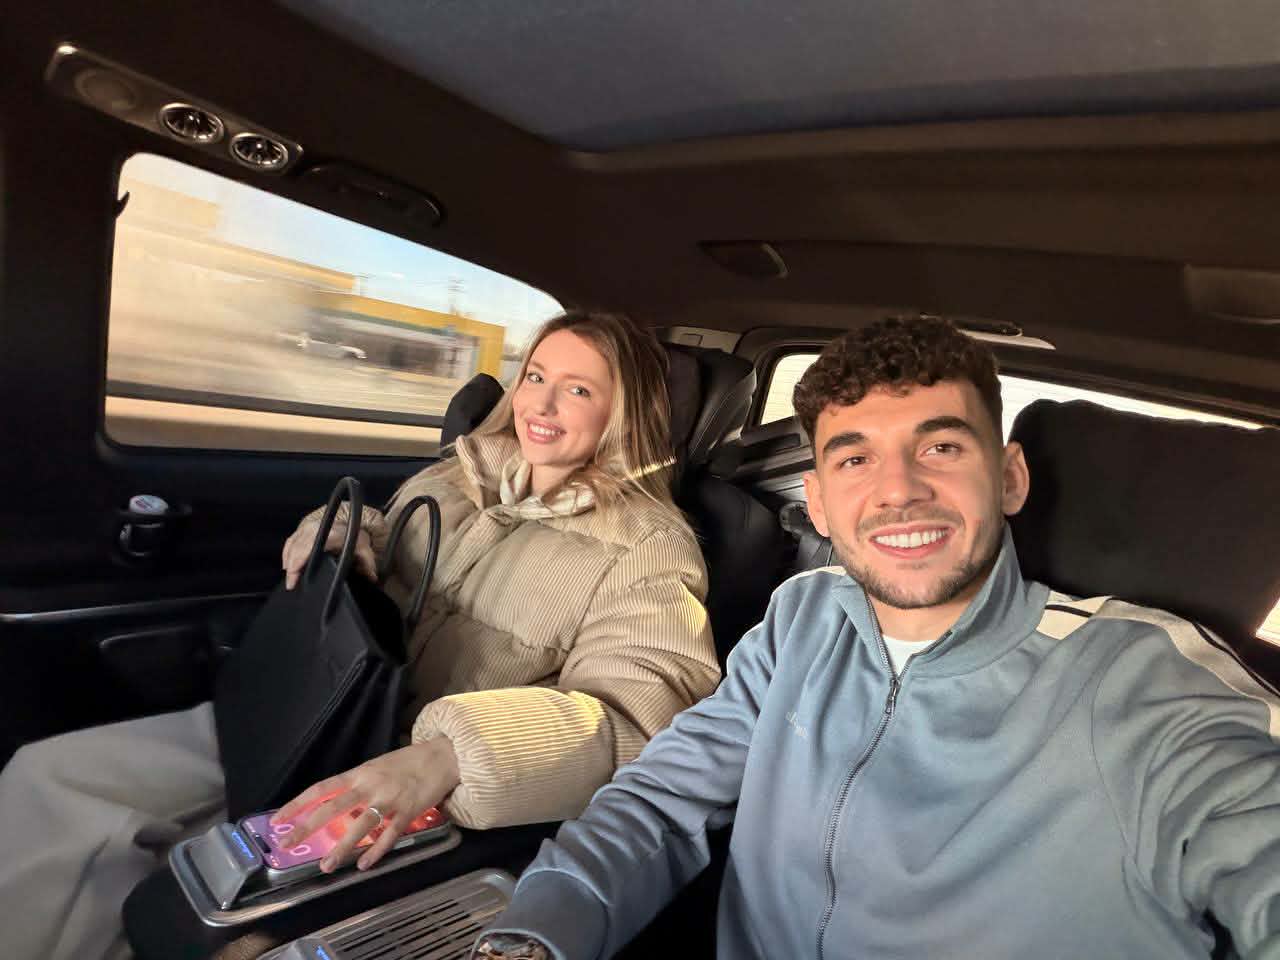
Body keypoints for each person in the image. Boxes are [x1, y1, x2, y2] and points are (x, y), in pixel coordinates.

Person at [471, 316, 1280, 960]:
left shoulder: (1145, 683)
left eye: (940, 447)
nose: (899, 489)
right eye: (855, 459)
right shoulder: (800, 622)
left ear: (1009, 479)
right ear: (819, 504)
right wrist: (531, 938)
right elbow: (657, 804)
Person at [0, 310, 720, 960]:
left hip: (409, 780)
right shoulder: (461, 473)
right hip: (307, 712)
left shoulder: (648, 549)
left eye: (578, 389)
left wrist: (452, 755)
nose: (541, 403)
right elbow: (387, 532)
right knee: (48, 781)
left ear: (624, 416)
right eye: (536, 376)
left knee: (178, 903)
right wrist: (338, 531)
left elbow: (643, 723)